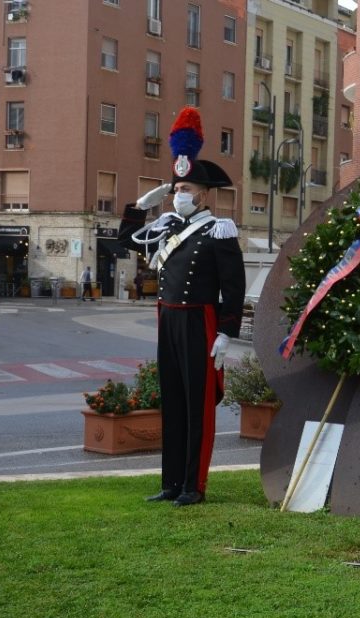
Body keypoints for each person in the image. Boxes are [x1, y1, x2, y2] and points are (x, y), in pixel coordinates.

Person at [118, 107, 246, 507]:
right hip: (168, 318)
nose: (180, 196)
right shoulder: (168, 226)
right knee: (172, 402)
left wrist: (227, 332)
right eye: (177, 189)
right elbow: (128, 241)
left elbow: (234, 286)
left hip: (199, 321)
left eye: (187, 190)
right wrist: (140, 206)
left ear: (204, 195)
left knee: (197, 407)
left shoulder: (218, 230)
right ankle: (171, 481)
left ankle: (195, 485)